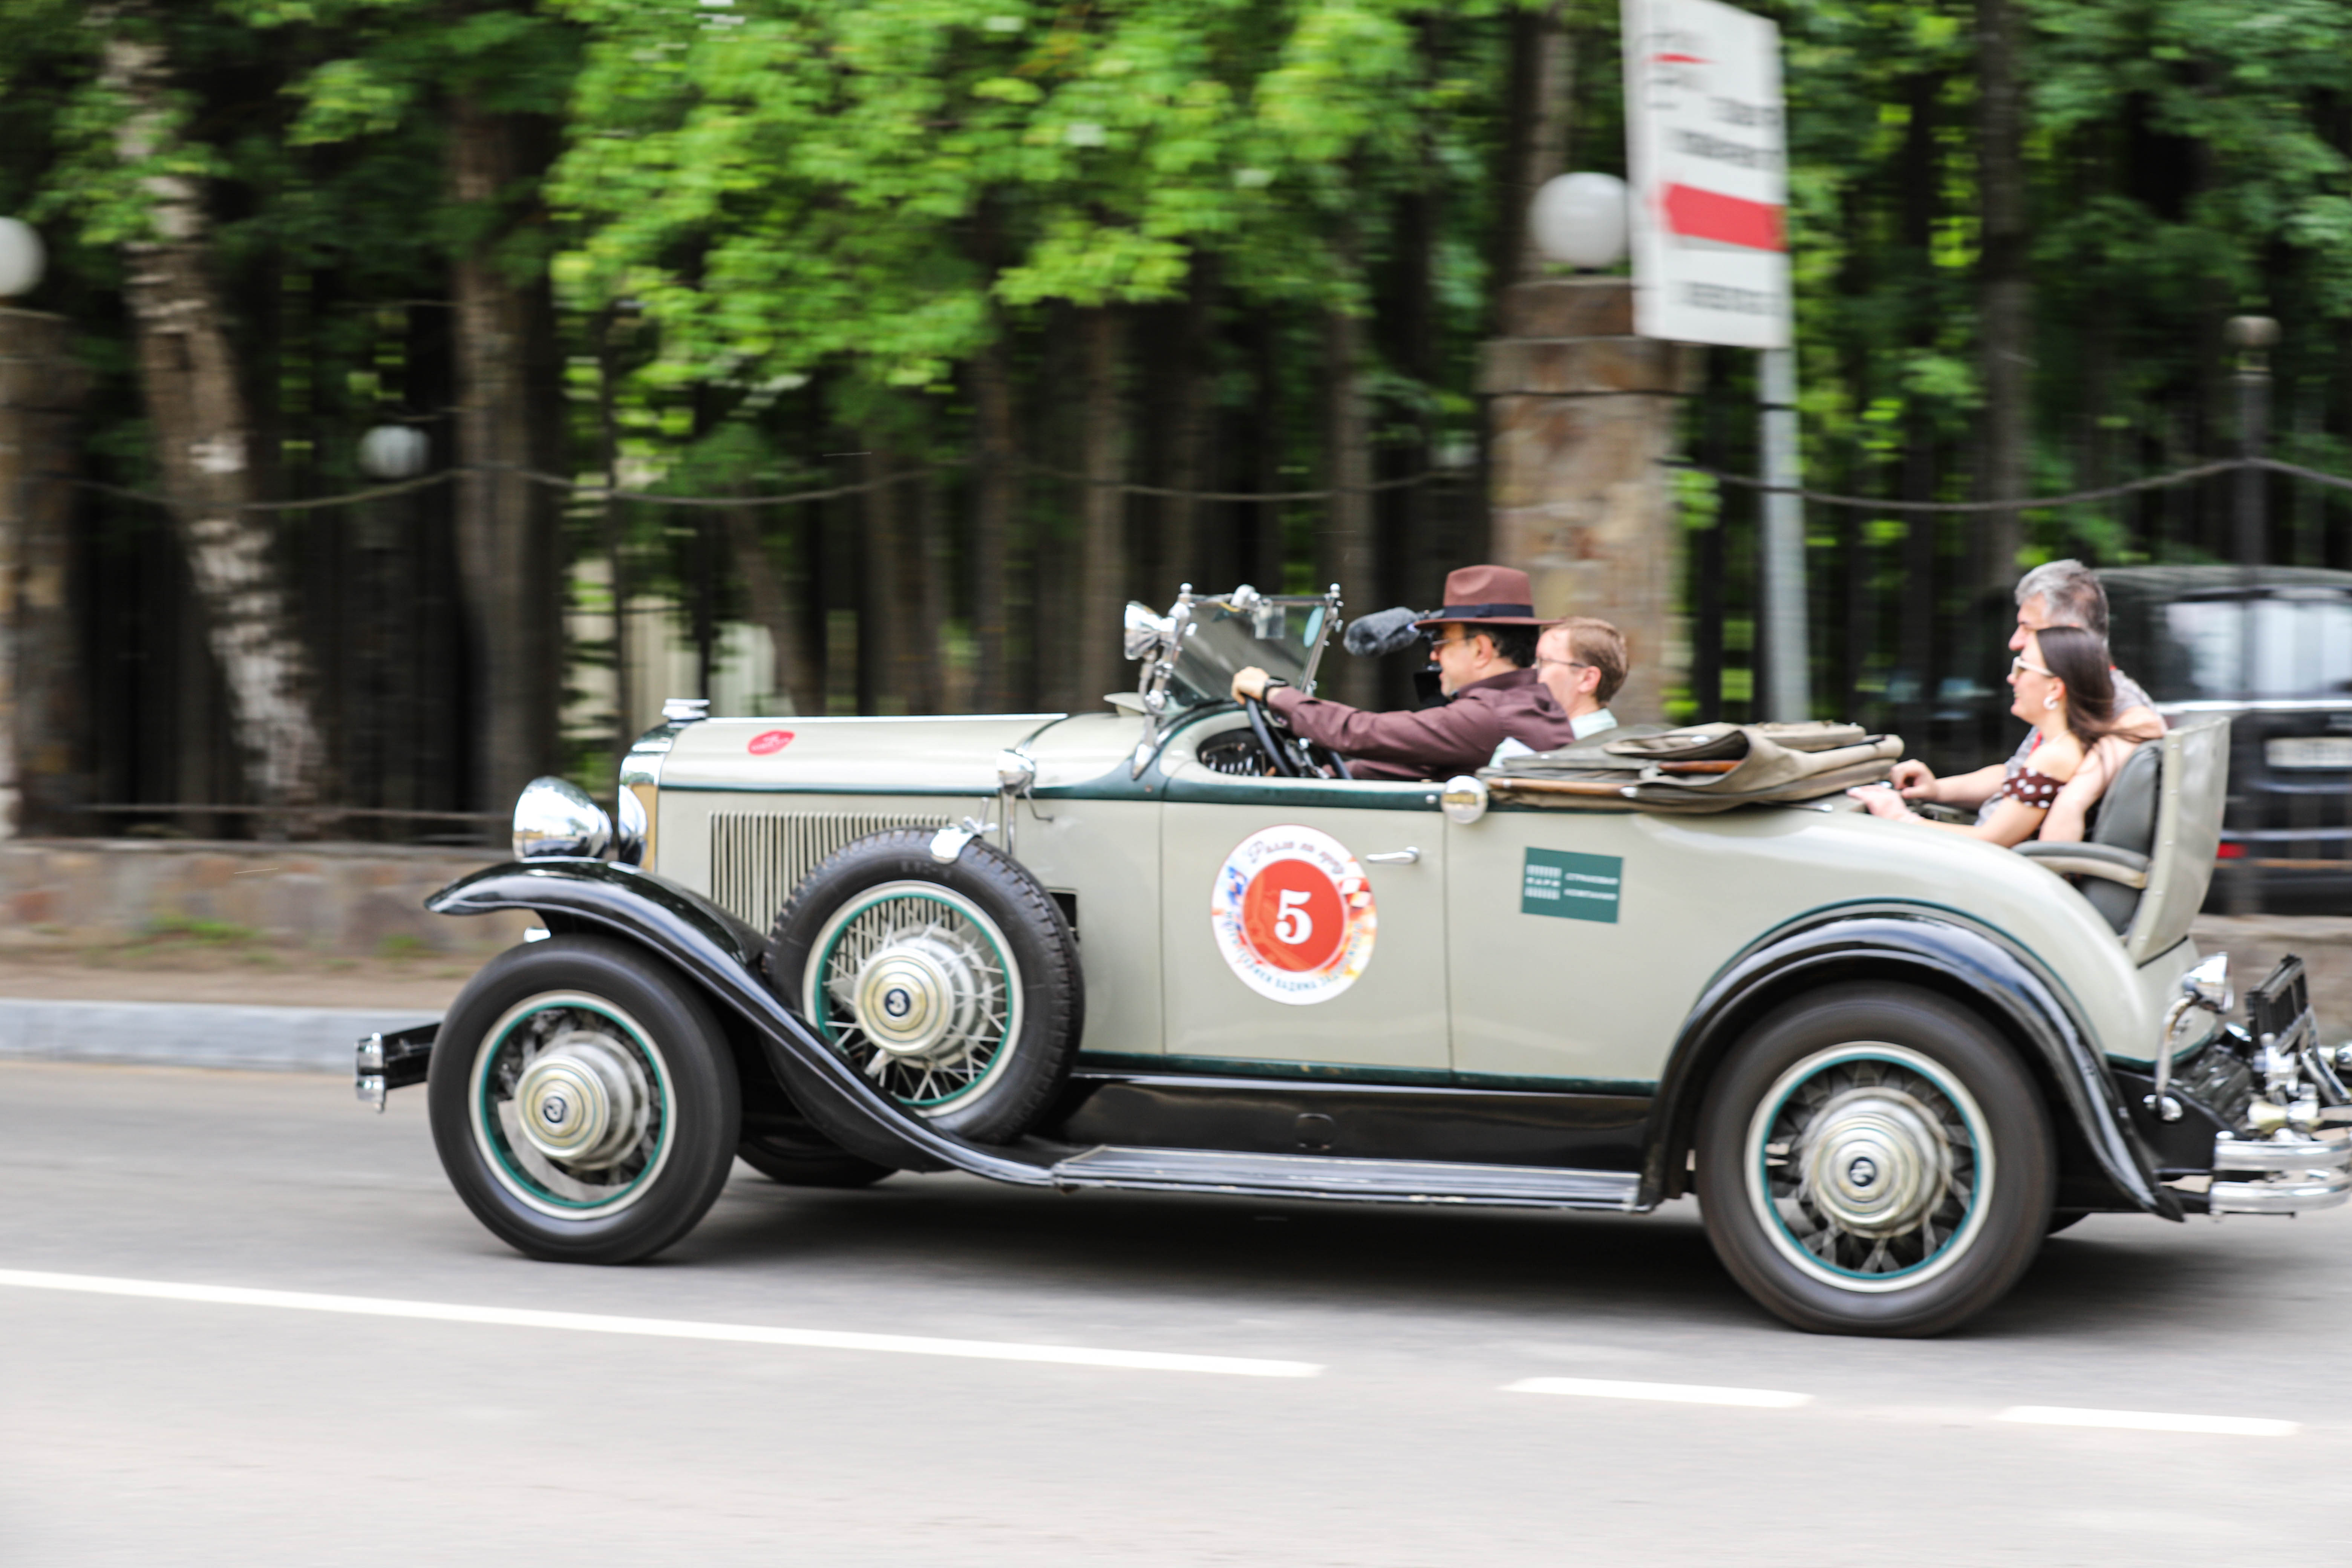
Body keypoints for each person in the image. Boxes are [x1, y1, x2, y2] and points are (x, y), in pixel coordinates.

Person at [1227, 565, 1579, 781]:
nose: (1433, 653)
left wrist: (1274, 692)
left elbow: (1363, 733)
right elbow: (1419, 765)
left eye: (1443, 641)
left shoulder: (1486, 718)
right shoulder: (1530, 702)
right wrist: (1325, 774)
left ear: (1482, 649)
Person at [1889, 559, 2164, 834]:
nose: (2015, 642)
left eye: (2028, 628)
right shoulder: (2072, 697)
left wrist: (2074, 800)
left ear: (2069, 635)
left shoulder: (2115, 703)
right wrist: (1936, 790)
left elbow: (2147, 724)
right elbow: (2017, 776)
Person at [1851, 625, 2116, 846]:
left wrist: (1898, 818)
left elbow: (1990, 840)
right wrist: (1937, 790)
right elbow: (2011, 775)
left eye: (2022, 668)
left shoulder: (2055, 755)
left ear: (2055, 688)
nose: (2013, 679)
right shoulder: (2067, 743)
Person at [1534, 617, 1626, 743]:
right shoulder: (1612, 739)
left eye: (1544, 662)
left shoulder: (1557, 747)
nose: (1533, 670)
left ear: (1588, 679)